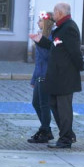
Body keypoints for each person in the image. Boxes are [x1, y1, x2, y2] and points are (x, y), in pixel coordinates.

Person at [30, 2, 83, 149]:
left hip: (65, 75)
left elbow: (74, 52)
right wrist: (41, 41)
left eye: (55, 11)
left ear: (60, 13)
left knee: (63, 108)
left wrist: (80, 66)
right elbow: (54, 46)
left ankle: (66, 139)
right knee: (54, 104)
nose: (53, 14)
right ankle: (67, 134)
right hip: (56, 75)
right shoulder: (60, 28)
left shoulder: (69, 28)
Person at [27, 12, 55, 144]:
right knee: (36, 103)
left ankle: (45, 131)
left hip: (47, 75)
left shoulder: (50, 36)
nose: (38, 23)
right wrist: (33, 79)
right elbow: (38, 61)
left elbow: (47, 57)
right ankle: (46, 129)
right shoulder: (42, 35)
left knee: (44, 104)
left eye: (40, 21)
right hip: (39, 74)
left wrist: (39, 42)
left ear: (47, 23)